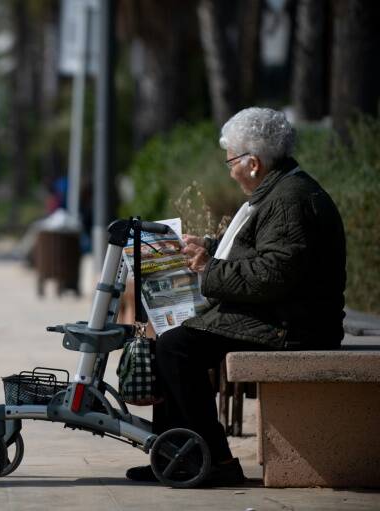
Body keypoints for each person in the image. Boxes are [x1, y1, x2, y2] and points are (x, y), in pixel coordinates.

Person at [125, 107, 346, 486]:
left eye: (231, 161)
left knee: (178, 348)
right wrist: (208, 247)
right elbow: (263, 254)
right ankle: (175, 454)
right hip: (279, 314)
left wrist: (209, 266)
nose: (229, 170)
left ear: (253, 163)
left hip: (290, 325)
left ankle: (215, 460)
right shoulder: (282, 188)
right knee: (172, 338)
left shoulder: (290, 200)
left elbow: (271, 275)